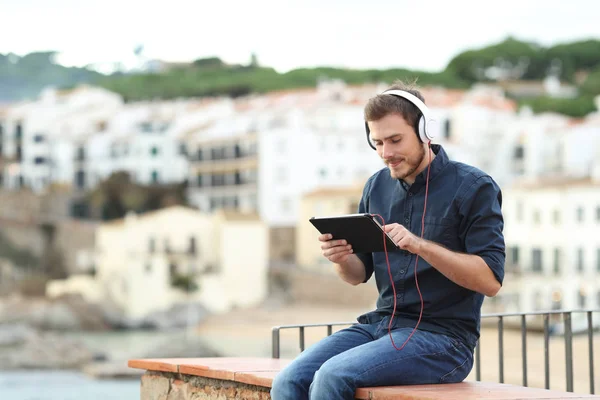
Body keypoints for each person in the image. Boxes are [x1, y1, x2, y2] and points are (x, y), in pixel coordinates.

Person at [270, 80, 506, 400]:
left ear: (425, 131)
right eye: (377, 142)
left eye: (395, 140)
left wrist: (420, 245)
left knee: (332, 376)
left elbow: (490, 281)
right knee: (289, 380)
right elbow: (357, 275)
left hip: (444, 340)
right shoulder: (375, 187)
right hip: (379, 326)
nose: (386, 153)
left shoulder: (475, 187)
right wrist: (341, 258)